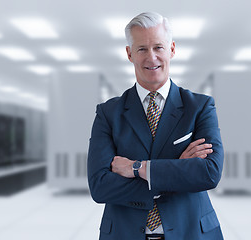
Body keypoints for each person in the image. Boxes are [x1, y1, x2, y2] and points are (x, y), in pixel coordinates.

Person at [87, 12, 224, 240]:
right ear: (130, 53)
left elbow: (209, 173)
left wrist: (138, 168)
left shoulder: (200, 107)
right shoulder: (108, 114)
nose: (151, 58)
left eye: (158, 47)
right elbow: (100, 187)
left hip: (191, 233)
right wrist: (177, 169)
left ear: (171, 49)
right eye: (142, 49)